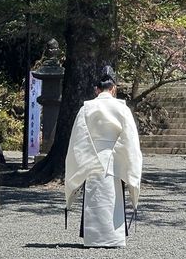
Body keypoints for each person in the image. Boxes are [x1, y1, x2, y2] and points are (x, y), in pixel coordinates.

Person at [65, 65, 142, 248]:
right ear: (114, 88)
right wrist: (124, 159)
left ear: (96, 89)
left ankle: (93, 237)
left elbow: (78, 139)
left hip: (92, 156)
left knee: (94, 196)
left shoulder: (87, 108)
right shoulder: (122, 109)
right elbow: (130, 140)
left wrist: (85, 159)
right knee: (113, 196)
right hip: (114, 158)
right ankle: (114, 237)